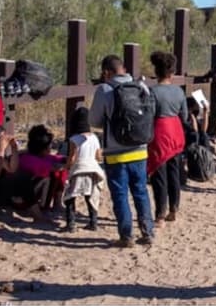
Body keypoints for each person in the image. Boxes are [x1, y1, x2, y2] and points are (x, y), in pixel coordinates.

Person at [88, 56, 155, 246]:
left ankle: (126, 236)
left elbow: (94, 121)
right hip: (140, 150)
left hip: (116, 153)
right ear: (124, 69)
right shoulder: (141, 86)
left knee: (120, 195)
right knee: (141, 192)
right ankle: (147, 232)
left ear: (106, 72)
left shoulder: (104, 89)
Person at [147, 52, 186, 224]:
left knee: (159, 175)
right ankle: (173, 208)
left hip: (159, 132)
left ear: (156, 71)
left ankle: (160, 214)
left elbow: (149, 114)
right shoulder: (179, 91)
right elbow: (184, 116)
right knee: (174, 172)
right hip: (175, 131)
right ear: (172, 72)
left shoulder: (152, 91)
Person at [60, 109, 104, 232]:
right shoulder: (95, 137)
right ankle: (93, 222)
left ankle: (71, 224)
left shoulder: (74, 139)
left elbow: (72, 157)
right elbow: (98, 157)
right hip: (93, 170)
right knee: (90, 196)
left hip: (79, 169)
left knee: (70, 196)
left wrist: (66, 167)